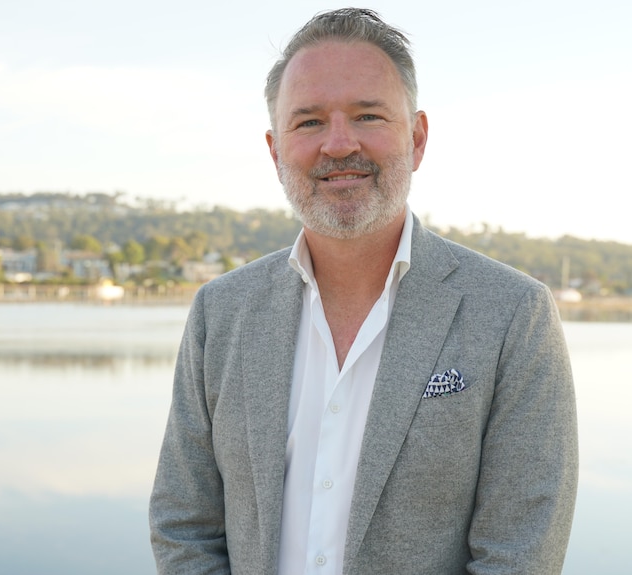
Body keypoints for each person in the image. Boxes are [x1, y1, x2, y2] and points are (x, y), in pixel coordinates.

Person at [150, 8, 577, 575]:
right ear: (276, 150)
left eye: (368, 115)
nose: (338, 143)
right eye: (308, 123)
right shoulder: (220, 312)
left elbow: (522, 552)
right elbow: (183, 525)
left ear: (418, 138)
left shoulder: (513, 315)